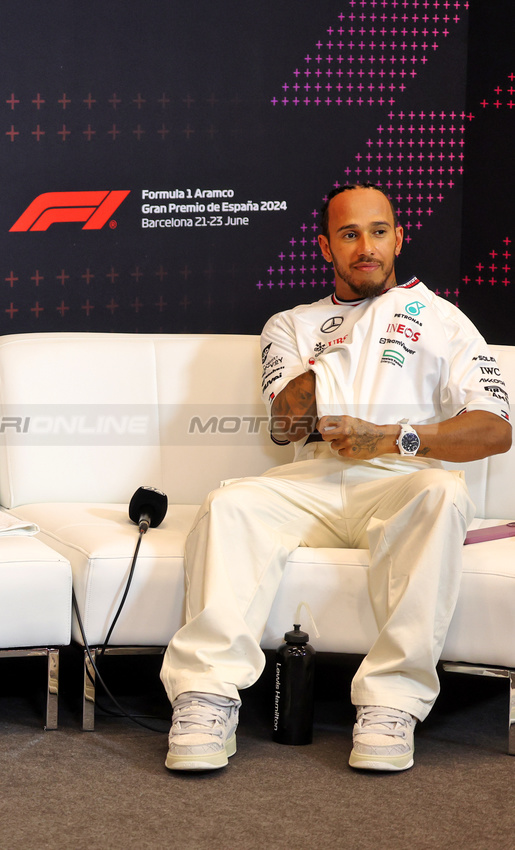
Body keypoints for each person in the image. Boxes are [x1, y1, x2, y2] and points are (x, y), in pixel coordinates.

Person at [159, 184, 511, 773]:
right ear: (326, 247)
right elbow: (287, 427)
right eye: (349, 235)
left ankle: (391, 703)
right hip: (316, 483)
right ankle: (205, 698)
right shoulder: (292, 323)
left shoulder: (443, 320)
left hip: (400, 476)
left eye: (378, 232)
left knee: (442, 491)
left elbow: (495, 429)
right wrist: (331, 352)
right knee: (231, 504)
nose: (366, 248)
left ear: (399, 238)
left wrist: (395, 437)